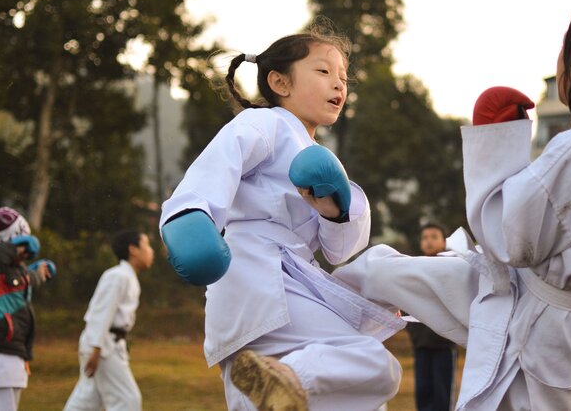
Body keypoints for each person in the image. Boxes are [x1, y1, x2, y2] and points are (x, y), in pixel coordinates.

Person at [335, 0, 571, 410]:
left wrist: (497, 146)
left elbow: (507, 240)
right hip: (560, 309)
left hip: (540, 315)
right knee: (388, 272)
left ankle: (306, 327)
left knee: (388, 274)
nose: (560, 59)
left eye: (567, 46)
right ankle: (311, 325)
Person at [158, 26, 404, 411]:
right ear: (279, 82)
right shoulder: (266, 123)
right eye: (324, 72)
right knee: (374, 366)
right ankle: (291, 375)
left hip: (282, 286)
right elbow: (218, 165)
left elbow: (339, 252)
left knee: (300, 400)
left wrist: (335, 212)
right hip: (261, 275)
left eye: (343, 78)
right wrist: (189, 215)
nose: (338, 85)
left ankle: (284, 378)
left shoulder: (322, 157)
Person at [63, 229, 154, 411]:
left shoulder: (127, 277)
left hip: (108, 345)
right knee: (128, 400)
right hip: (103, 346)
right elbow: (101, 313)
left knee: (87, 400)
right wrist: (96, 349)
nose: (151, 251)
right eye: (147, 245)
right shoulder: (117, 276)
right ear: (133, 249)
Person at [0, 207, 56, 411]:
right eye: (23, 244)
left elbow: (24, 280)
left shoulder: (9, 274)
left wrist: (39, 273)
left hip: (12, 361)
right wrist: (13, 247)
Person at [406, 223, 457, 411]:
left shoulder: (452, 268)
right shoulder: (414, 269)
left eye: (434, 237)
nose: (429, 241)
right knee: (423, 392)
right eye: (425, 237)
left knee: (441, 396)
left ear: (444, 242)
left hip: (444, 344)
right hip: (421, 345)